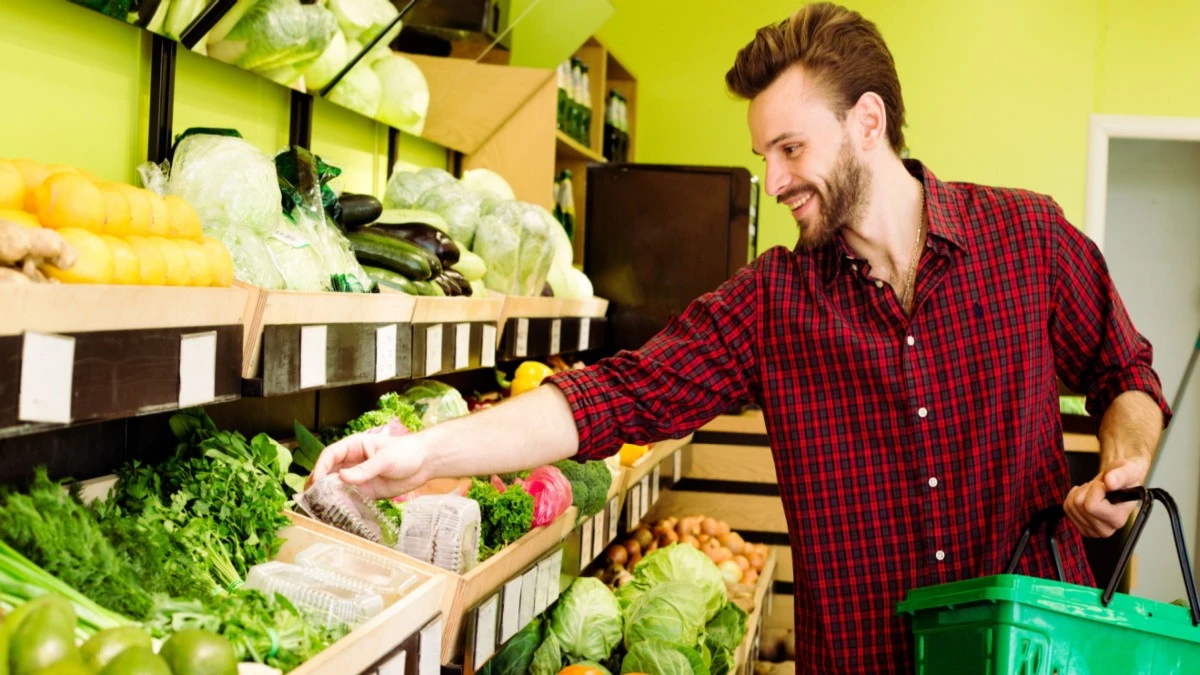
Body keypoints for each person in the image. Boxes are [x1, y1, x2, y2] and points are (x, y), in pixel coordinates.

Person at [312, 3, 1170, 672]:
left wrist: (1124, 468)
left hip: (1035, 654)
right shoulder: (774, 304)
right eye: (764, 154)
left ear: (868, 122)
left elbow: (1125, 373)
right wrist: (428, 453)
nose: (775, 180)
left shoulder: (1026, 239)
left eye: (792, 148)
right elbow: (619, 395)